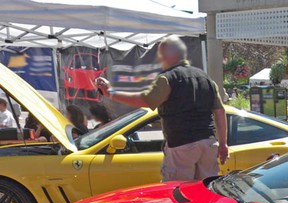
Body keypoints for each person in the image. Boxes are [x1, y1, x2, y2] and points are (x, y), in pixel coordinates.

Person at [96, 36, 228, 182]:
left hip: (181, 145)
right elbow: (220, 112)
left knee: (179, 191)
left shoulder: (167, 78)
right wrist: (223, 144)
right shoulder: (206, 78)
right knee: (206, 190)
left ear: (166, 56)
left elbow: (145, 100)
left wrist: (111, 92)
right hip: (208, 143)